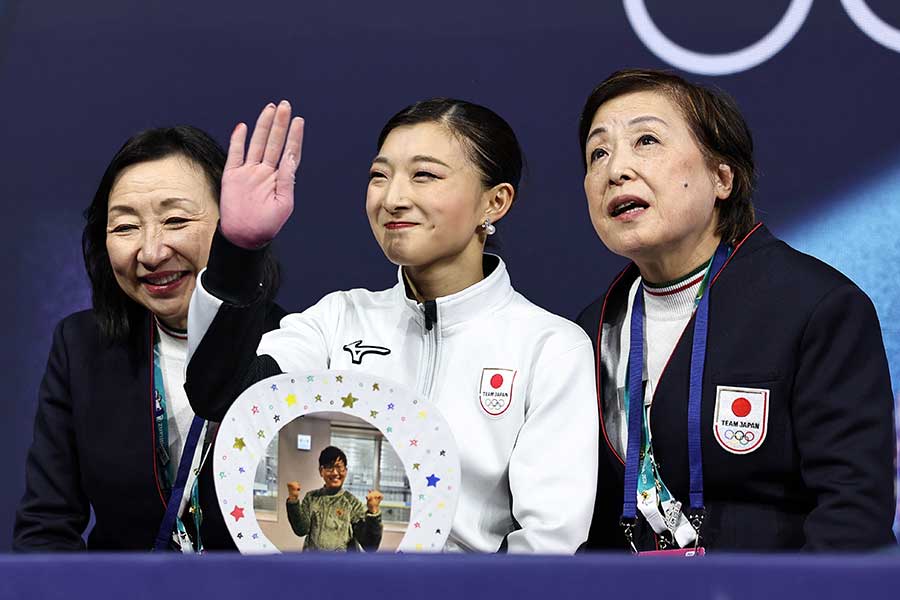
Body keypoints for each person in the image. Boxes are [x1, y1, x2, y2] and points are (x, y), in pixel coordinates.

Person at [185, 99, 599, 553]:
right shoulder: (336, 319)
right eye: (379, 176)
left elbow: (547, 543)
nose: (392, 198)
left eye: (425, 175)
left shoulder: (549, 347)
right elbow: (220, 396)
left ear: (495, 201)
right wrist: (241, 251)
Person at [575, 69, 896, 552]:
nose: (615, 168)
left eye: (646, 140)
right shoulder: (588, 329)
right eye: (598, 152)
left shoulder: (818, 307)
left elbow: (853, 512)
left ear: (722, 178)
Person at [13, 126, 284, 551]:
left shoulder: (295, 345)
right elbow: (45, 531)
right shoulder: (81, 346)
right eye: (125, 226)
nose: (151, 252)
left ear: (233, 223)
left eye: (175, 220)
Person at [285, 446, 383, 552]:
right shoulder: (311, 498)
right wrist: (293, 500)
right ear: (321, 471)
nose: (335, 473)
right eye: (330, 467)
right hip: (314, 563)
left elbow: (370, 545)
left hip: (343, 566)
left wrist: (373, 512)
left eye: (339, 467)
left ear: (345, 471)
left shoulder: (352, 503)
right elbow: (301, 530)